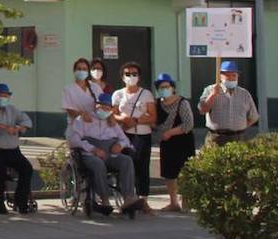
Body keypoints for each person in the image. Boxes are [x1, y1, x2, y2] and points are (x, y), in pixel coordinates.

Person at [67, 92, 149, 216]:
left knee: (126, 160)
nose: (105, 110)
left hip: (110, 153)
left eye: (107, 108)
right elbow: (73, 140)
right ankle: (104, 199)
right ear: (96, 106)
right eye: (102, 107)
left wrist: (119, 145)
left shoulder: (111, 122)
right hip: (90, 154)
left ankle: (128, 198)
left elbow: (125, 139)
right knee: (98, 164)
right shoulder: (84, 119)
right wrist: (93, 149)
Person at [0, 84, 35, 214]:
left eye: (5, 96)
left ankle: (20, 201)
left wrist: (18, 128)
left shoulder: (13, 110)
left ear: (9, 96)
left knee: (27, 168)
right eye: (0, 95)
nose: (2, 98)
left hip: (13, 149)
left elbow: (27, 121)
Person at [111, 61, 156, 200]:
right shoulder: (118, 94)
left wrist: (136, 120)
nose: (131, 76)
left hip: (142, 135)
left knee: (142, 167)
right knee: (126, 166)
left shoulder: (146, 94)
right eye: (128, 74)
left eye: (134, 74)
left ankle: (143, 200)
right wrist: (123, 119)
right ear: (123, 77)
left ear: (139, 77)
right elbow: (112, 115)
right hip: (124, 134)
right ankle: (127, 198)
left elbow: (153, 116)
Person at [154, 73, 195, 212]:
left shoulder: (182, 102)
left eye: (167, 86)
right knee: (169, 173)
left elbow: (188, 124)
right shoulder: (157, 104)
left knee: (186, 172)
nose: (164, 89)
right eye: (161, 87)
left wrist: (170, 132)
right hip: (166, 143)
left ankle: (187, 202)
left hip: (183, 141)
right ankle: (173, 202)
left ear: (173, 87)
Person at [198, 61, 259, 147]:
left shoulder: (244, 93)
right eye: (227, 75)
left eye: (234, 75)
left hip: (239, 138)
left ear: (238, 76)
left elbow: (254, 117)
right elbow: (202, 110)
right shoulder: (210, 90)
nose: (231, 78)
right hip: (216, 138)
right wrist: (213, 95)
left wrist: (240, 127)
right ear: (220, 76)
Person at [62, 56, 105, 123]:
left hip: (94, 124)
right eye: (79, 69)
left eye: (84, 69)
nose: (81, 71)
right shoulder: (68, 89)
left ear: (88, 72)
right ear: (74, 71)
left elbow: (103, 104)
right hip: (76, 125)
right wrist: (81, 115)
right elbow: (69, 110)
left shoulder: (95, 87)